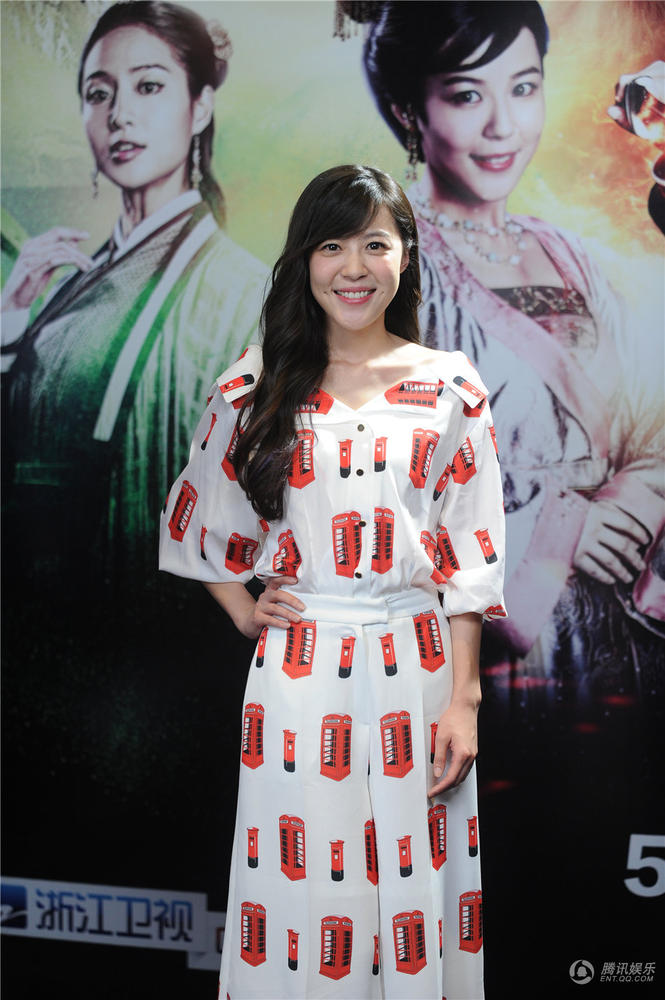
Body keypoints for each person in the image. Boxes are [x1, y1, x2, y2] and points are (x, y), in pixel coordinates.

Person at [160, 164, 505, 999]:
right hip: (300, 670)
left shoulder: (450, 385)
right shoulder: (255, 384)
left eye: (374, 245)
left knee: (417, 882)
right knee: (303, 882)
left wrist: (463, 699)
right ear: (304, 261)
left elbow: (470, 552)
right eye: (331, 246)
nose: (353, 268)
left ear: (404, 256)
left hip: (417, 662)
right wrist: (244, 609)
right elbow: (195, 515)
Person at [0, 1, 266, 893]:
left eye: (149, 88)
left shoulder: (244, 293)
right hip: (44, 677)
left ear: (200, 106)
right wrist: (11, 331)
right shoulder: (62, 284)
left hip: (163, 683)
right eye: (98, 94)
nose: (119, 116)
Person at [354, 0, 664, 701]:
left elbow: (652, 422)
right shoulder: (379, 267)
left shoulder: (574, 258)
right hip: (462, 659)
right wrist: (558, 533)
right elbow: (355, 479)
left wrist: (629, 509)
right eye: (467, 95)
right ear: (408, 110)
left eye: (523, 87)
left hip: (614, 640)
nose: (503, 125)